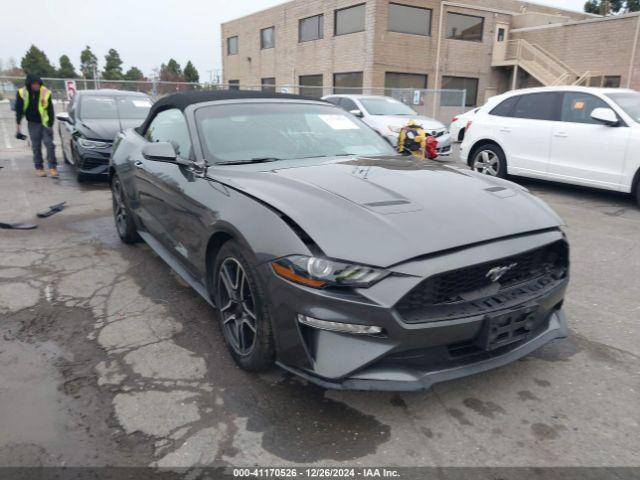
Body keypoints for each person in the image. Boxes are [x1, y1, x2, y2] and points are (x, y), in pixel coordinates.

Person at [15, 74, 58, 178]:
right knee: (36, 146)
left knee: (49, 144)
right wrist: (18, 127)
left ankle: (52, 167)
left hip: (45, 122)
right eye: (34, 84)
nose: (36, 85)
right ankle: (39, 168)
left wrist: (51, 124)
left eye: (38, 83)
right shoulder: (22, 93)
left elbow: (50, 109)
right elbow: (19, 110)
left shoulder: (45, 92)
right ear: (29, 84)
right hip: (32, 123)